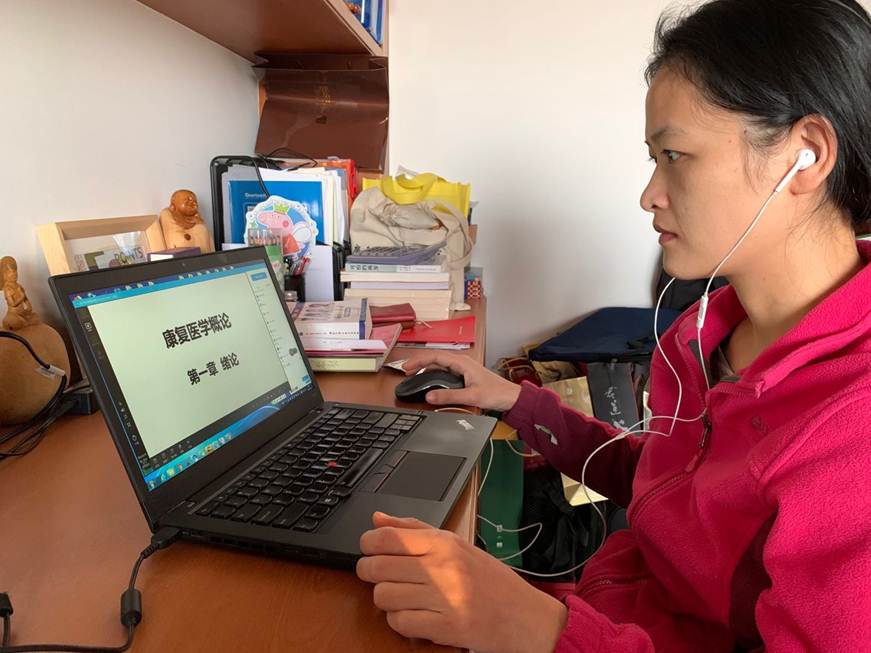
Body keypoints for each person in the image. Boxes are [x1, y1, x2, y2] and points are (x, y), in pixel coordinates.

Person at [354, 1, 871, 651]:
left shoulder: (851, 427)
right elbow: (669, 493)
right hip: (605, 611)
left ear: (806, 155)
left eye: (675, 155)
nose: (649, 194)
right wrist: (519, 402)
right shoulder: (702, 333)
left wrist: (542, 629)